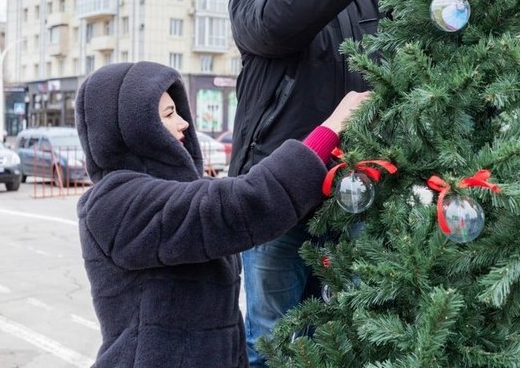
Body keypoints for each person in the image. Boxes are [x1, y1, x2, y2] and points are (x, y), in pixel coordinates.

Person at [75, 60, 368, 368]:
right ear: (135, 128)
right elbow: (241, 204)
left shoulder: (176, 190)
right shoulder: (115, 203)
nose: (184, 123)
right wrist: (331, 128)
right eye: (168, 114)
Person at [228, 0, 407, 366]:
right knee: (273, 336)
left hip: (358, 190)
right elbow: (280, 22)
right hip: (275, 192)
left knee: (359, 330)